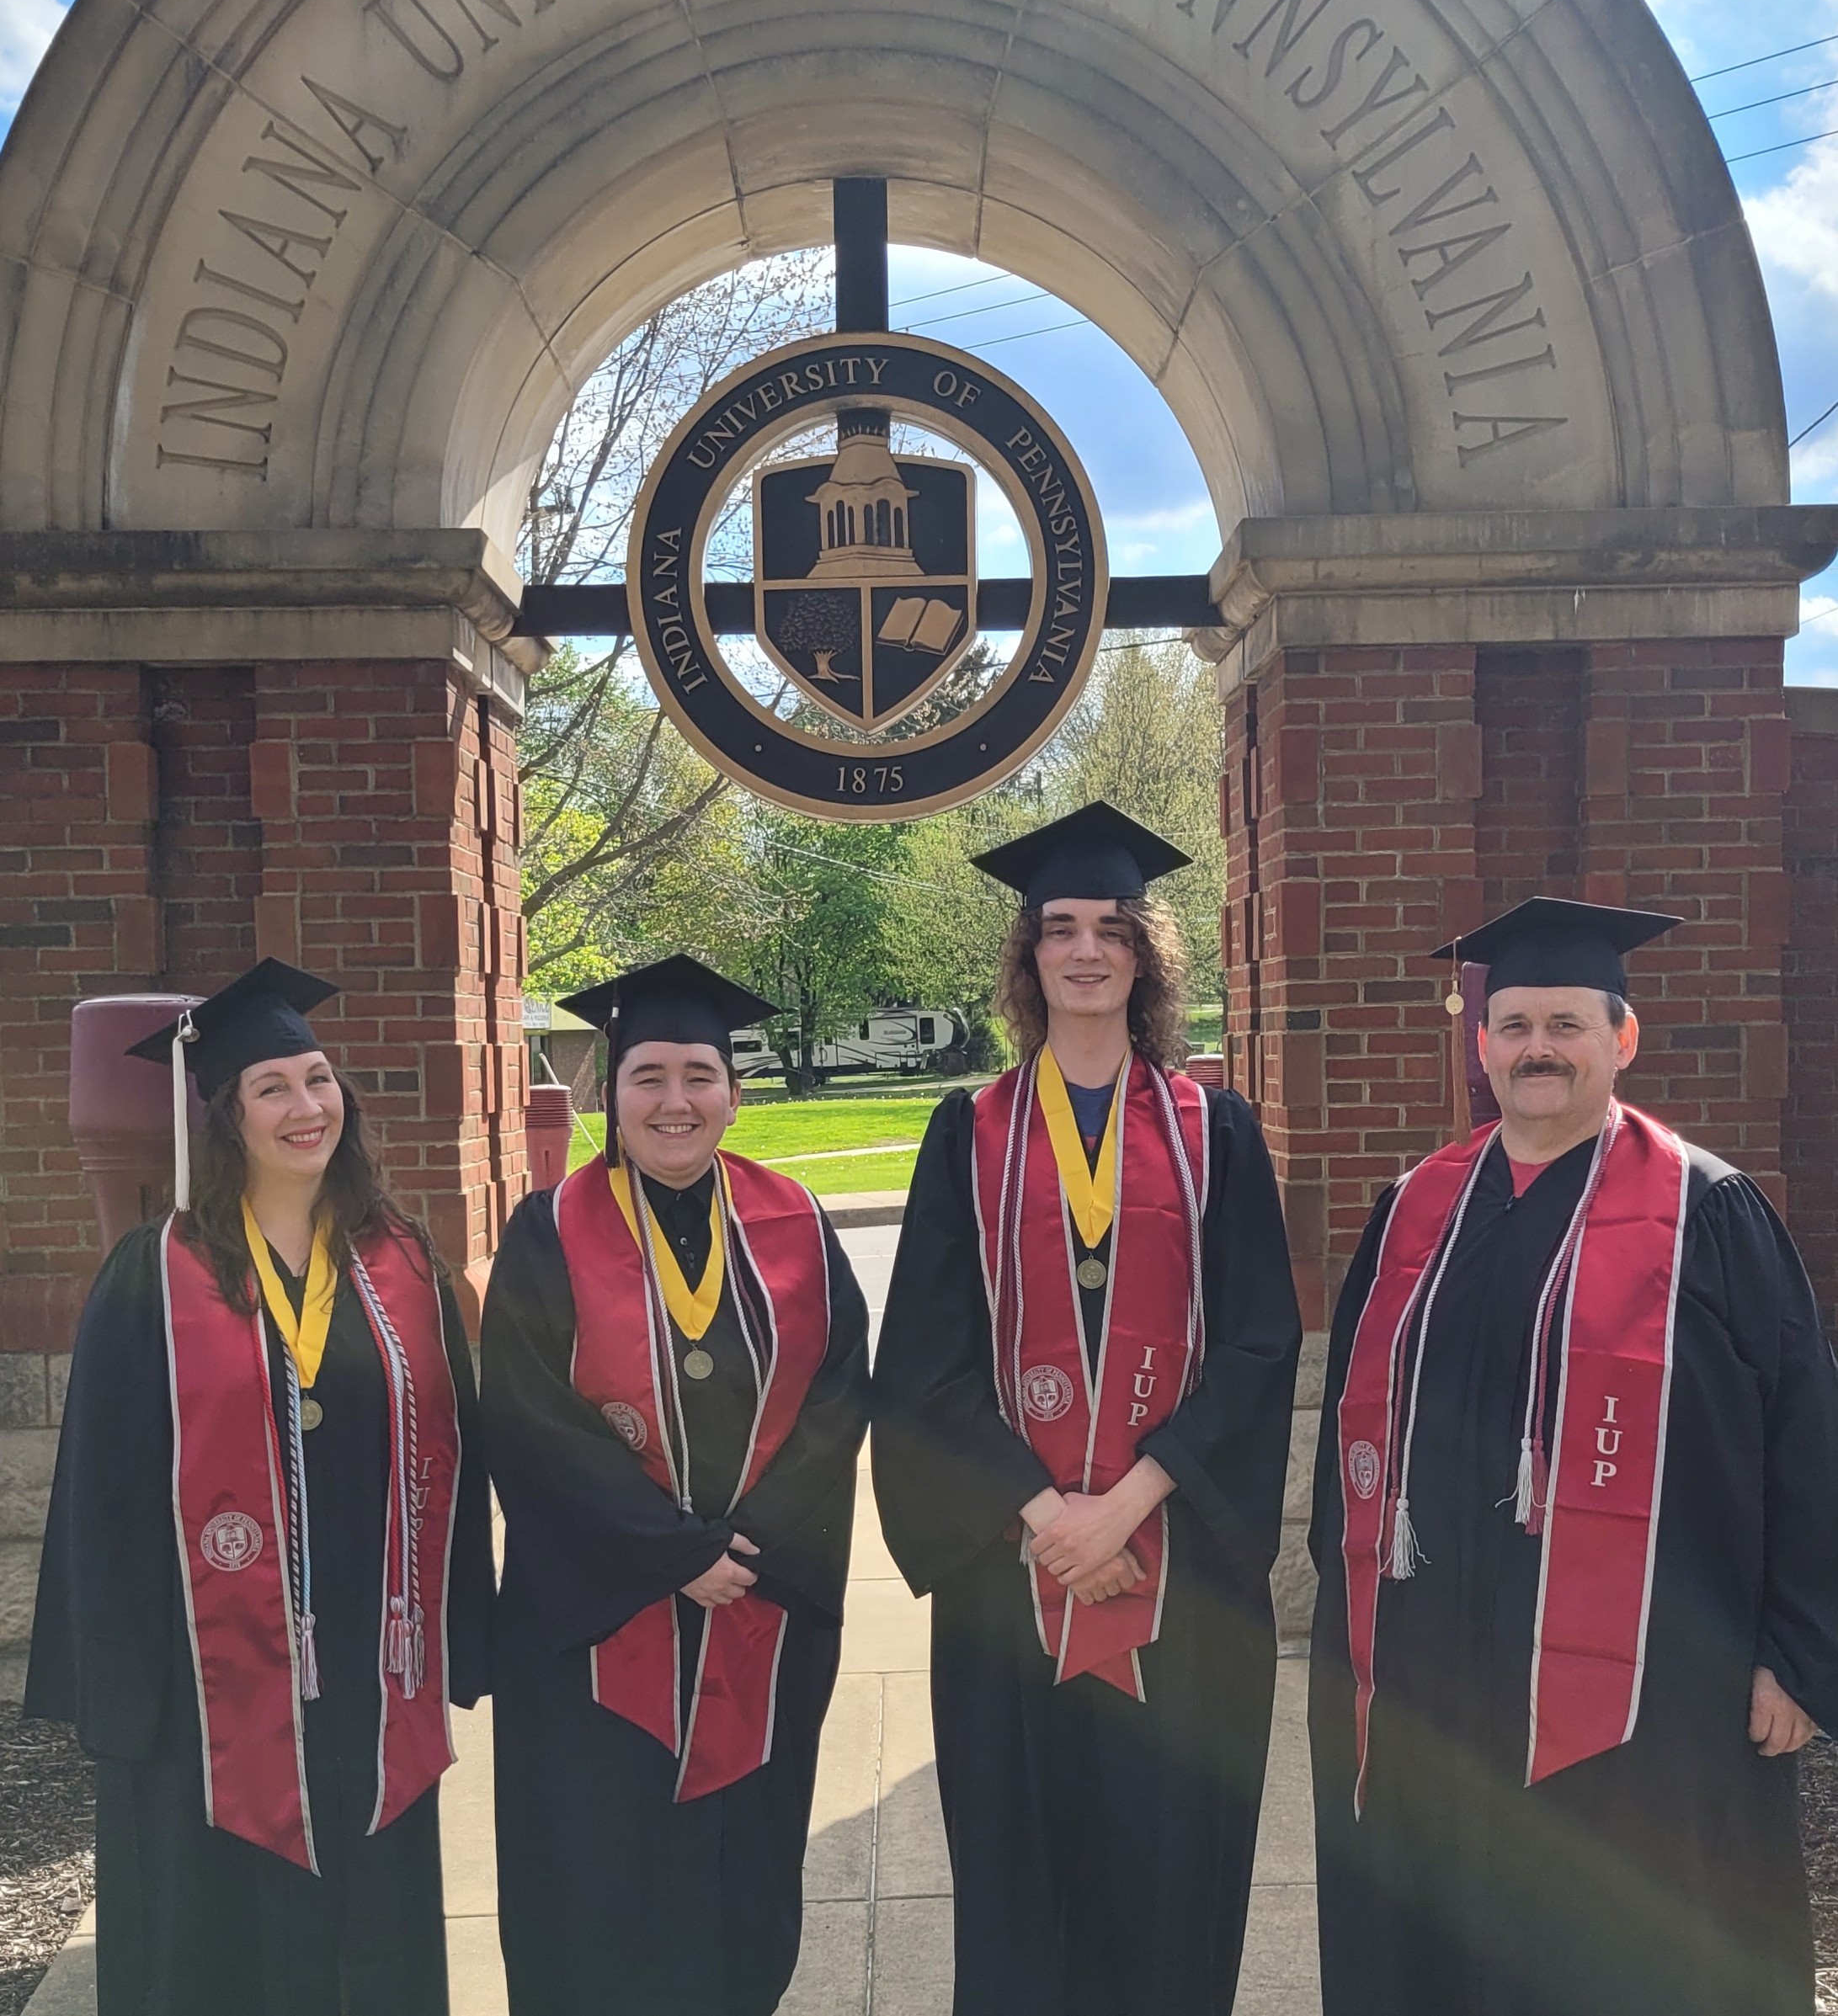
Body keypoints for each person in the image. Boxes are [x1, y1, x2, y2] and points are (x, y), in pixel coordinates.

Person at [1308, 895, 1838, 2016]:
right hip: (1438, 1666)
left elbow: (1804, 1438)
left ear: (1620, 1039)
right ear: (1479, 1041)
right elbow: (1346, 1447)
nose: (1535, 1047)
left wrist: (1793, 1651)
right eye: (1511, 1025)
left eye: (1563, 1024)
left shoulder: (1706, 1211)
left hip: (1654, 1684)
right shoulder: (1414, 1209)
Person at [871, 801, 1302, 2016]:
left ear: (1143, 955)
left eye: (1110, 928)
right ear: (1026, 958)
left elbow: (1261, 1345)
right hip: (1013, 1577)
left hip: (1179, 1576)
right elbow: (922, 1358)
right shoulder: (966, 1132)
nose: (1083, 950)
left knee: (1169, 1869)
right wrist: (1040, 1513)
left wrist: (1124, 1506)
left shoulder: (1218, 1132)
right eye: (1057, 928)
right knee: (1023, 1871)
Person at [25, 958, 494, 2016]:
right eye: (271, 1086)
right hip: (205, 1698)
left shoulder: (402, 1265)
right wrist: (122, 1693)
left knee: (368, 1948)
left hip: (373, 1683)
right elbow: (100, 1499)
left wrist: (460, 1634)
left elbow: (455, 1463)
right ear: (225, 1116)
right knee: (224, 1957)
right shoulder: (156, 1274)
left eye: (318, 1078)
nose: (304, 1105)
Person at [481, 955, 871, 2016]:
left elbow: (840, 1398)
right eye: (647, 1074)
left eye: (699, 1074)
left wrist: (741, 1552)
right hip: (596, 1628)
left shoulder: (793, 1217)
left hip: (758, 1607)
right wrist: (673, 1550)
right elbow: (526, 1418)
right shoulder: (548, 1227)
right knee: (599, 1882)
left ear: (734, 1095)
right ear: (609, 1093)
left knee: (738, 1875)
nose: (674, 1100)